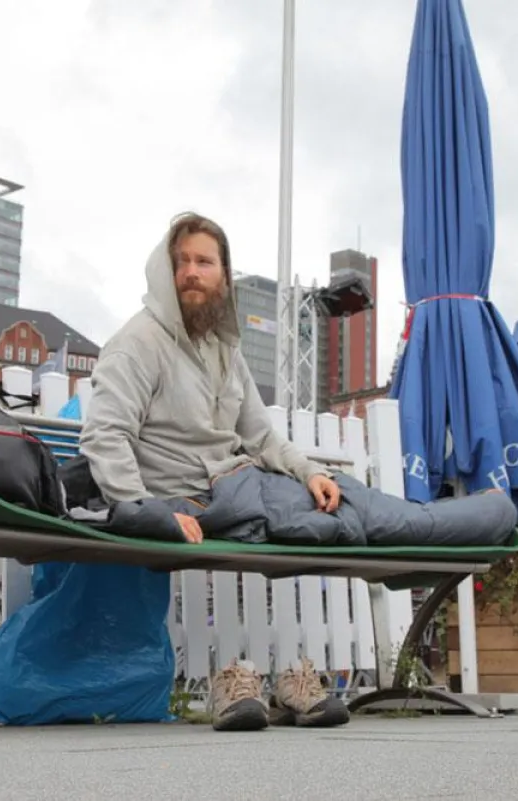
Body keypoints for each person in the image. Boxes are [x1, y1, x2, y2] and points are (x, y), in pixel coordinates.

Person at [80, 211, 350, 732]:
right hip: (192, 500)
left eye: (204, 262)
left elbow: (261, 434)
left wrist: (310, 472)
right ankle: (244, 685)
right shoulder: (138, 343)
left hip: (241, 487)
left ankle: (287, 680)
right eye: (181, 261)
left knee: (345, 503)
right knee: (349, 520)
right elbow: (105, 435)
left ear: (224, 275)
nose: (191, 272)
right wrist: (148, 512)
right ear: (165, 270)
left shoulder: (225, 348)